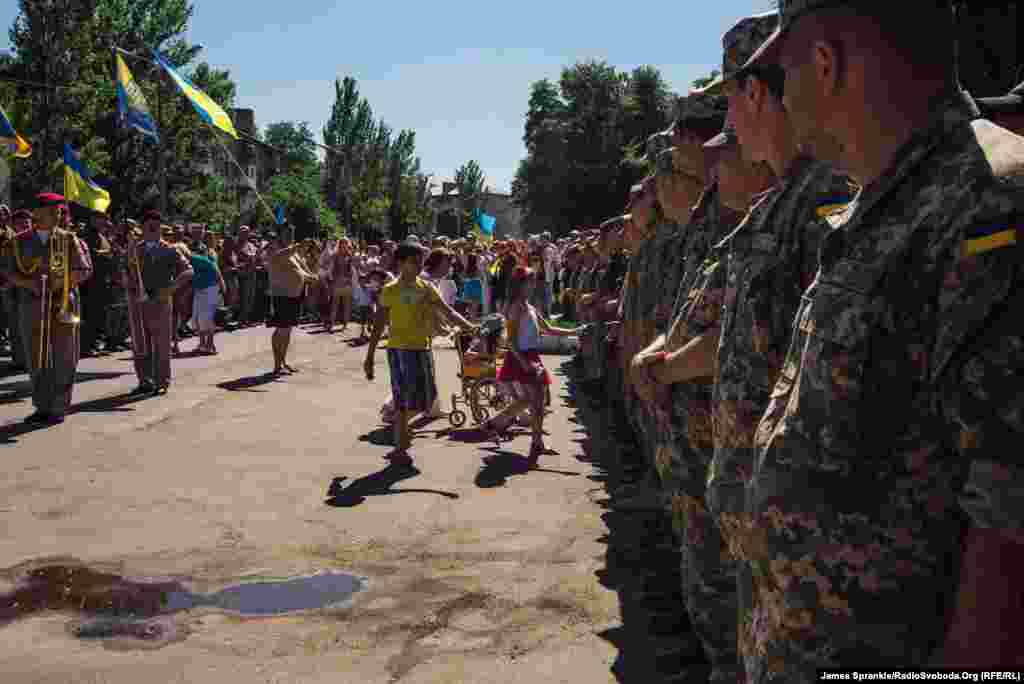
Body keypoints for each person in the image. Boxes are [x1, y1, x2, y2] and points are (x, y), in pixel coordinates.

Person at [729, 0, 1024, 675]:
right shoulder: (883, 202)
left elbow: (1009, 525)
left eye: (785, 71)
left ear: (825, 65)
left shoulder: (992, 202)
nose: (783, 96)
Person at [363, 243, 476, 467]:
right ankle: (399, 446)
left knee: (425, 399)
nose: (418, 265)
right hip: (399, 350)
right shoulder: (391, 289)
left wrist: (470, 327)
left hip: (421, 348)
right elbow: (379, 324)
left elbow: (447, 311)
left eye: (420, 261)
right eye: (413, 261)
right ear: (401, 263)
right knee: (406, 400)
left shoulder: (425, 287)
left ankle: (399, 429)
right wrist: (369, 357)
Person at [1, 193, 93, 423]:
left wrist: (60, 283)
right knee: (36, 356)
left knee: (65, 355)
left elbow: (83, 269)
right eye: (51, 210)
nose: (57, 214)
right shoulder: (18, 241)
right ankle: (42, 406)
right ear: (37, 212)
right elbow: (7, 270)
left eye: (58, 210)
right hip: (31, 303)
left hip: (62, 303)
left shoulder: (68, 238)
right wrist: (28, 283)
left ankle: (59, 406)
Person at [483, 266, 581, 462]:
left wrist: (576, 331)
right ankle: (534, 442)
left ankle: (495, 425)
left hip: (530, 356)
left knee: (532, 401)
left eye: (533, 281)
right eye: (529, 282)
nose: (533, 285)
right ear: (519, 285)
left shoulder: (529, 306)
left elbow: (549, 329)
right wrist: (524, 363)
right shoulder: (516, 307)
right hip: (521, 357)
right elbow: (511, 341)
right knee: (536, 402)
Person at [127, 210, 193, 395]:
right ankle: (144, 380)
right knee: (140, 342)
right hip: (138, 301)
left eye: (156, 227)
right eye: (149, 226)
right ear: (142, 227)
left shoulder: (169, 249)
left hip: (160, 300)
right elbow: (123, 271)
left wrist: (171, 288)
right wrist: (127, 281)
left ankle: (161, 381)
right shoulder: (134, 249)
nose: (153, 230)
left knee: (161, 343)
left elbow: (188, 271)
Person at [265, 225, 318, 375]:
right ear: (280, 235)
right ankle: (277, 366)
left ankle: (283, 362)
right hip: (282, 295)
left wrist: (311, 277)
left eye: (292, 233)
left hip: (295, 295)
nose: (290, 236)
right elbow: (278, 257)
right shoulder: (274, 248)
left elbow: (300, 271)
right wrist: (298, 246)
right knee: (281, 329)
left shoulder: (294, 252)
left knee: (287, 330)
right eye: (287, 233)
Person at [186, 244, 227, 354]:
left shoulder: (195, 259)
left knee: (207, 318)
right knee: (197, 318)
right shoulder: (191, 260)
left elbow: (215, 269)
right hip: (199, 289)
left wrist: (222, 285)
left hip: (210, 289)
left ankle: (210, 345)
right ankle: (202, 344)